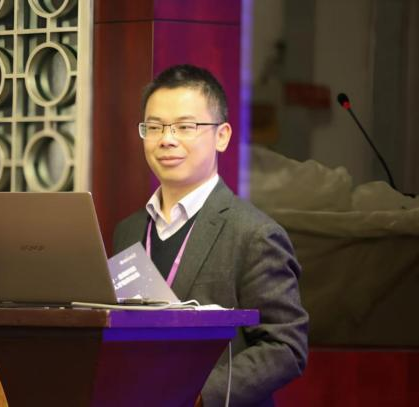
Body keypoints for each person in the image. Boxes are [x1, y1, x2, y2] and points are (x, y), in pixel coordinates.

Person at [112, 64, 308, 406]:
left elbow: (286, 346)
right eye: (154, 127)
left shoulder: (255, 233)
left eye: (185, 127)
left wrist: (200, 395)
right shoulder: (127, 231)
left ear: (222, 136)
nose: (167, 139)